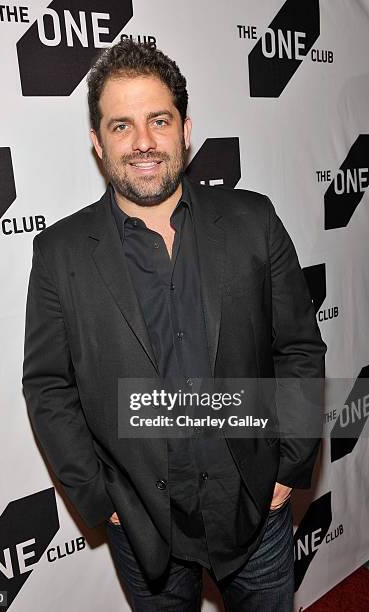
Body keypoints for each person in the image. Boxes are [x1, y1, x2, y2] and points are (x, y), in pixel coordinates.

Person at [22, 40, 326, 611]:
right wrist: (100, 498)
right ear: (97, 142)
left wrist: (289, 467)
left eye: (158, 120)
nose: (142, 142)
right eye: (121, 126)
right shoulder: (59, 252)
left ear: (184, 129)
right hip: (141, 525)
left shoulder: (252, 220)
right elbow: (48, 386)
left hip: (255, 509)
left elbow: (300, 349)